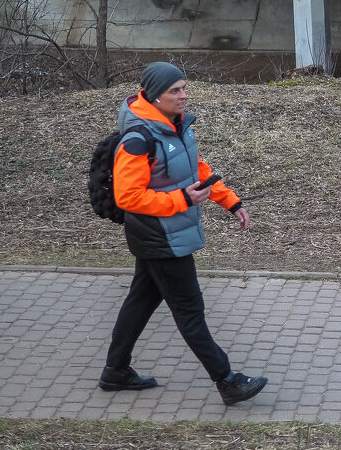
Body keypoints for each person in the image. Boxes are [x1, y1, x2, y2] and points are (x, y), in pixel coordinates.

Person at [98, 61, 269, 405]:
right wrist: (180, 199)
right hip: (160, 236)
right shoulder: (137, 138)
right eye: (175, 91)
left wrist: (231, 202)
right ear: (154, 96)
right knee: (190, 311)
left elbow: (197, 169)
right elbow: (127, 196)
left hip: (168, 232)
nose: (183, 95)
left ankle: (115, 371)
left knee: (141, 300)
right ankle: (227, 380)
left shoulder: (176, 126)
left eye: (184, 88)